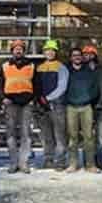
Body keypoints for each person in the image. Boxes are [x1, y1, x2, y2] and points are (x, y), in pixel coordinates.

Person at [0, 39, 40, 174]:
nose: (18, 50)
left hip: (27, 103)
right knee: (10, 133)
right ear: (12, 51)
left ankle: (23, 163)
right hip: (10, 103)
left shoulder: (31, 66)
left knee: (26, 133)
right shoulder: (5, 66)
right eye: (16, 48)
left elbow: (37, 85)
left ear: (23, 51)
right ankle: (13, 162)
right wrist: (3, 98)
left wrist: (33, 99)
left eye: (20, 48)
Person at [64, 47, 102, 173]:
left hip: (86, 107)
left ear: (82, 57)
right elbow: (61, 87)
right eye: (74, 55)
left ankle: (90, 164)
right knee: (72, 136)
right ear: (71, 58)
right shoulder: (66, 71)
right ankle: (73, 163)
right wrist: (67, 99)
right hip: (71, 107)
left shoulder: (89, 71)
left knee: (89, 136)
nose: (77, 57)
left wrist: (89, 99)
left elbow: (95, 88)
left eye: (79, 55)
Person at [36, 39, 69, 170]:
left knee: (59, 135)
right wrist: (39, 99)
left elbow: (62, 87)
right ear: (44, 52)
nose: (49, 52)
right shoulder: (39, 67)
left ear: (55, 52)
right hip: (42, 106)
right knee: (46, 135)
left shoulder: (61, 67)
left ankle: (60, 162)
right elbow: (36, 86)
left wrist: (48, 98)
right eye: (47, 50)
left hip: (57, 105)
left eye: (52, 50)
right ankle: (48, 159)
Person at [83, 44, 102, 170]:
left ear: (95, 55)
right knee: (87, 135)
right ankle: (88, 161)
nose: (88, 56)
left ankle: (99, 161)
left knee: (100, 136)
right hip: (86, 106)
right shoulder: (81, 69)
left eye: (91, 54)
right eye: (86, 54)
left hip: (101, 106)